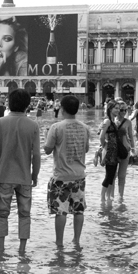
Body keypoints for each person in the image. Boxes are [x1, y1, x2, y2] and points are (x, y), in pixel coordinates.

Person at [0, 89, 41, 253]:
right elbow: (36, 155)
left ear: (9, 102)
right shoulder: (33, 125)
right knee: (24, 214)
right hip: (24, 177)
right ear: (27, 105)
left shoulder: (0, 122)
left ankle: (1, 250)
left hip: (4, 176)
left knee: (2, 213)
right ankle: (22, 250)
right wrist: (34, 176)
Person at [44, 96, 90, 247]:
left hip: (61, 177)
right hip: (79, 176)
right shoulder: (84, 127)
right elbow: (87, 149)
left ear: (62, 109)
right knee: (79, 210)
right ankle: (76, 241)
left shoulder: (56, 127)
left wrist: (45, 137)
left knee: (60, 211)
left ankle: (59, 244)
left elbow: (47, 150)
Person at [111, 101, 136, 199]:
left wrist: (133, 149)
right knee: (112, 176)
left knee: (122, 176)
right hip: (113, 150)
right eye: (121, 110)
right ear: (116, 110)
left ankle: (121, 197)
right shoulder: (111, 120)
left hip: (125, 150)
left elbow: (131, 136)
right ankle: (111, 197)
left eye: (125, 110)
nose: (123, 112)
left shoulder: (128, 122)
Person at [99, 101, 120, 202]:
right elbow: (101, 136)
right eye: (116, 108)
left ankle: (108, 197)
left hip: (114, 152)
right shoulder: (107, 121)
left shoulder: (114, 121)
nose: (118, 110)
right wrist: (104, 147)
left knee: (112, 175)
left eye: (118, 108)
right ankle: (102, 197)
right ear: (110, 109)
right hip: (109, 151)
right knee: (109, 175)